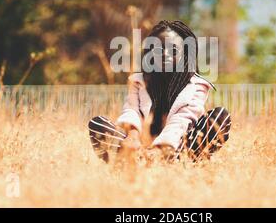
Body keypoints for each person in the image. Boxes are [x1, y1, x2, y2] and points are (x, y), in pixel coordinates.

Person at [88, 20, 231, 163]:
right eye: (158, 49)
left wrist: (160, 150)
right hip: (138, 148)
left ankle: (175, 163)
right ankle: (132, 160)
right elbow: (131, 110)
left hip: (177, 148)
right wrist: (132, 137)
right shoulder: (138, 81)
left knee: (220, 117)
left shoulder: (197, 85)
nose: (165, 54)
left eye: (173, 50)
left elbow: (182, 120)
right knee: (97, 124)